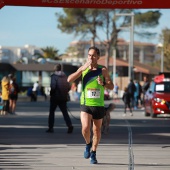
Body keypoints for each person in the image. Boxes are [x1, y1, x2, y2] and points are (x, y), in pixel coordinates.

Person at [67, 46, 114, 164]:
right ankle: (88, 144)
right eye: (89, 55)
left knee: (97, 131)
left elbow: (111, 86)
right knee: (85, 128)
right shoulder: (84, 69)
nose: (91, 57)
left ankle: (93, 152)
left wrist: (103, 83)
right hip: (85, 104)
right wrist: (81, 69)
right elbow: (69, 79)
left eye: (93, 55)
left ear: (98, 57)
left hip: (98, 105)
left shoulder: (103, 70)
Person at [46, 63, 74, 134]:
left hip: (55, 97)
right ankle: (69, 125)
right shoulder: (65, 76)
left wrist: (51, 94)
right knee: (65, 113)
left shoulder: (54, 76)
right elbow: (68, 87)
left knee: (52, 113)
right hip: (63, 97)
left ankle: (51, 127)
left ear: (55, 69)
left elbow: (53, 87)